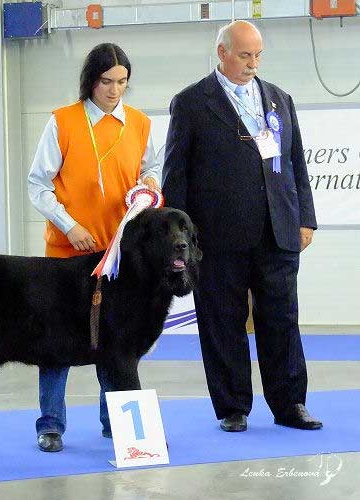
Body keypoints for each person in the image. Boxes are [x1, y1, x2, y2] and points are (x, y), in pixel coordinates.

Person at [162, 20, 322, 432]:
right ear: (222, 53)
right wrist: (180, 239)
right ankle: (233, 407)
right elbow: (174, 176)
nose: (253, 63)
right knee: (222, 321)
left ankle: (290, 404)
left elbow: (296, 164)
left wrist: (305, 218)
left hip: (278, 231)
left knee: (283, 319)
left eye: (258, 55)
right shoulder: (192, 103)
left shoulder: (279, 99)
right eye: (245, 55)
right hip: (217, 238)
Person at [28, 43, 161, 451]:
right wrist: (70, 227)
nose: (114, 90)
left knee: (116, 343)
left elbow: (150, 166)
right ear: (91, 80)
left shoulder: (139, 124)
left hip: (118, 254)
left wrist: (152, 183)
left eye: (122, 82)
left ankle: (115, 425)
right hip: (68, 254)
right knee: (54, 344)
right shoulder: (63, 122)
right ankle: (50, 425)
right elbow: (38, 184)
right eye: (106, 81)